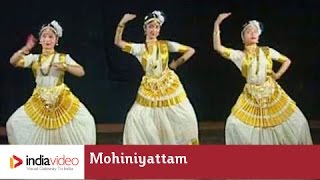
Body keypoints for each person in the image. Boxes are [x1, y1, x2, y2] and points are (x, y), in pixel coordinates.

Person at [213, 13, 313, 145]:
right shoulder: (239, 56)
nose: (252, 33)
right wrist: (217, 24)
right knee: (234, 124)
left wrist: (277, 75)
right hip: (251, 95)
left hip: (271, 92)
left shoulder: (267, 51)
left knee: (298, 121)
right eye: (248, 31)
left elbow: (286, 61)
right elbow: (218, 48)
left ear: (259, 36)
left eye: (255, 31)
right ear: (243, 38)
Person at [114, 11, 199, 144]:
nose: (153, 30)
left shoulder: (166, 45)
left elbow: (190, 50)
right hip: (149, 87)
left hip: (168, 83)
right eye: (150, 26)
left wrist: (176, 63)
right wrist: (122, 23)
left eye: (156, 27)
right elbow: (118, 42)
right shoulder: (140, 49)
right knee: (136, 117)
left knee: (182, 114)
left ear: (159, 30)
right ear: (145, 29)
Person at [6, 20, 96, 144]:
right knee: (14, 122)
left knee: (87, 120)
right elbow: (13, 62)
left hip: (61, 98)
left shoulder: (63, 58)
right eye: (44, 36)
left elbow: (81, 71)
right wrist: (26, 48)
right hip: (39, 99)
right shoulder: (34, 58)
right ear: (40, 40)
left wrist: (64, 66)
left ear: (56, 40)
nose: (47, 40)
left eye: (51, 37)